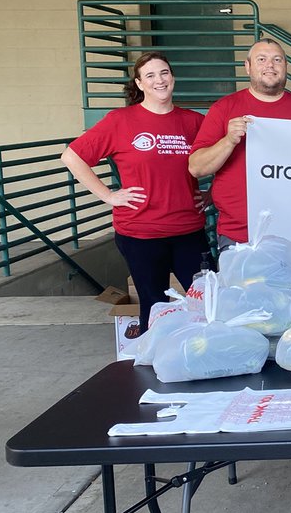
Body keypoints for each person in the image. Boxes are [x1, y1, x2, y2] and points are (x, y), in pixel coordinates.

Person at [61, 52, 208, 329]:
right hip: (141, 232)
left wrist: (211, 196)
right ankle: (154, 363)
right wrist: (108, 194)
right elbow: (72, 156)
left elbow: (219, 158)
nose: (159, 80)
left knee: (207, 301)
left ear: (172, 77)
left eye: (164, 73)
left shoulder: (193, 122)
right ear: (139, 84)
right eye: (150, 75)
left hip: (188, 229)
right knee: (154, 305)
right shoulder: (121, 120)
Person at [189, 38, 291, 248]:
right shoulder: (224, 108)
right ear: (247, 67)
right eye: (261, 59)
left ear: (286, 67)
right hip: (239, 234)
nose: (270, 65)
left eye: (277, 59)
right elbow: (197, 167)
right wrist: (229, 141)